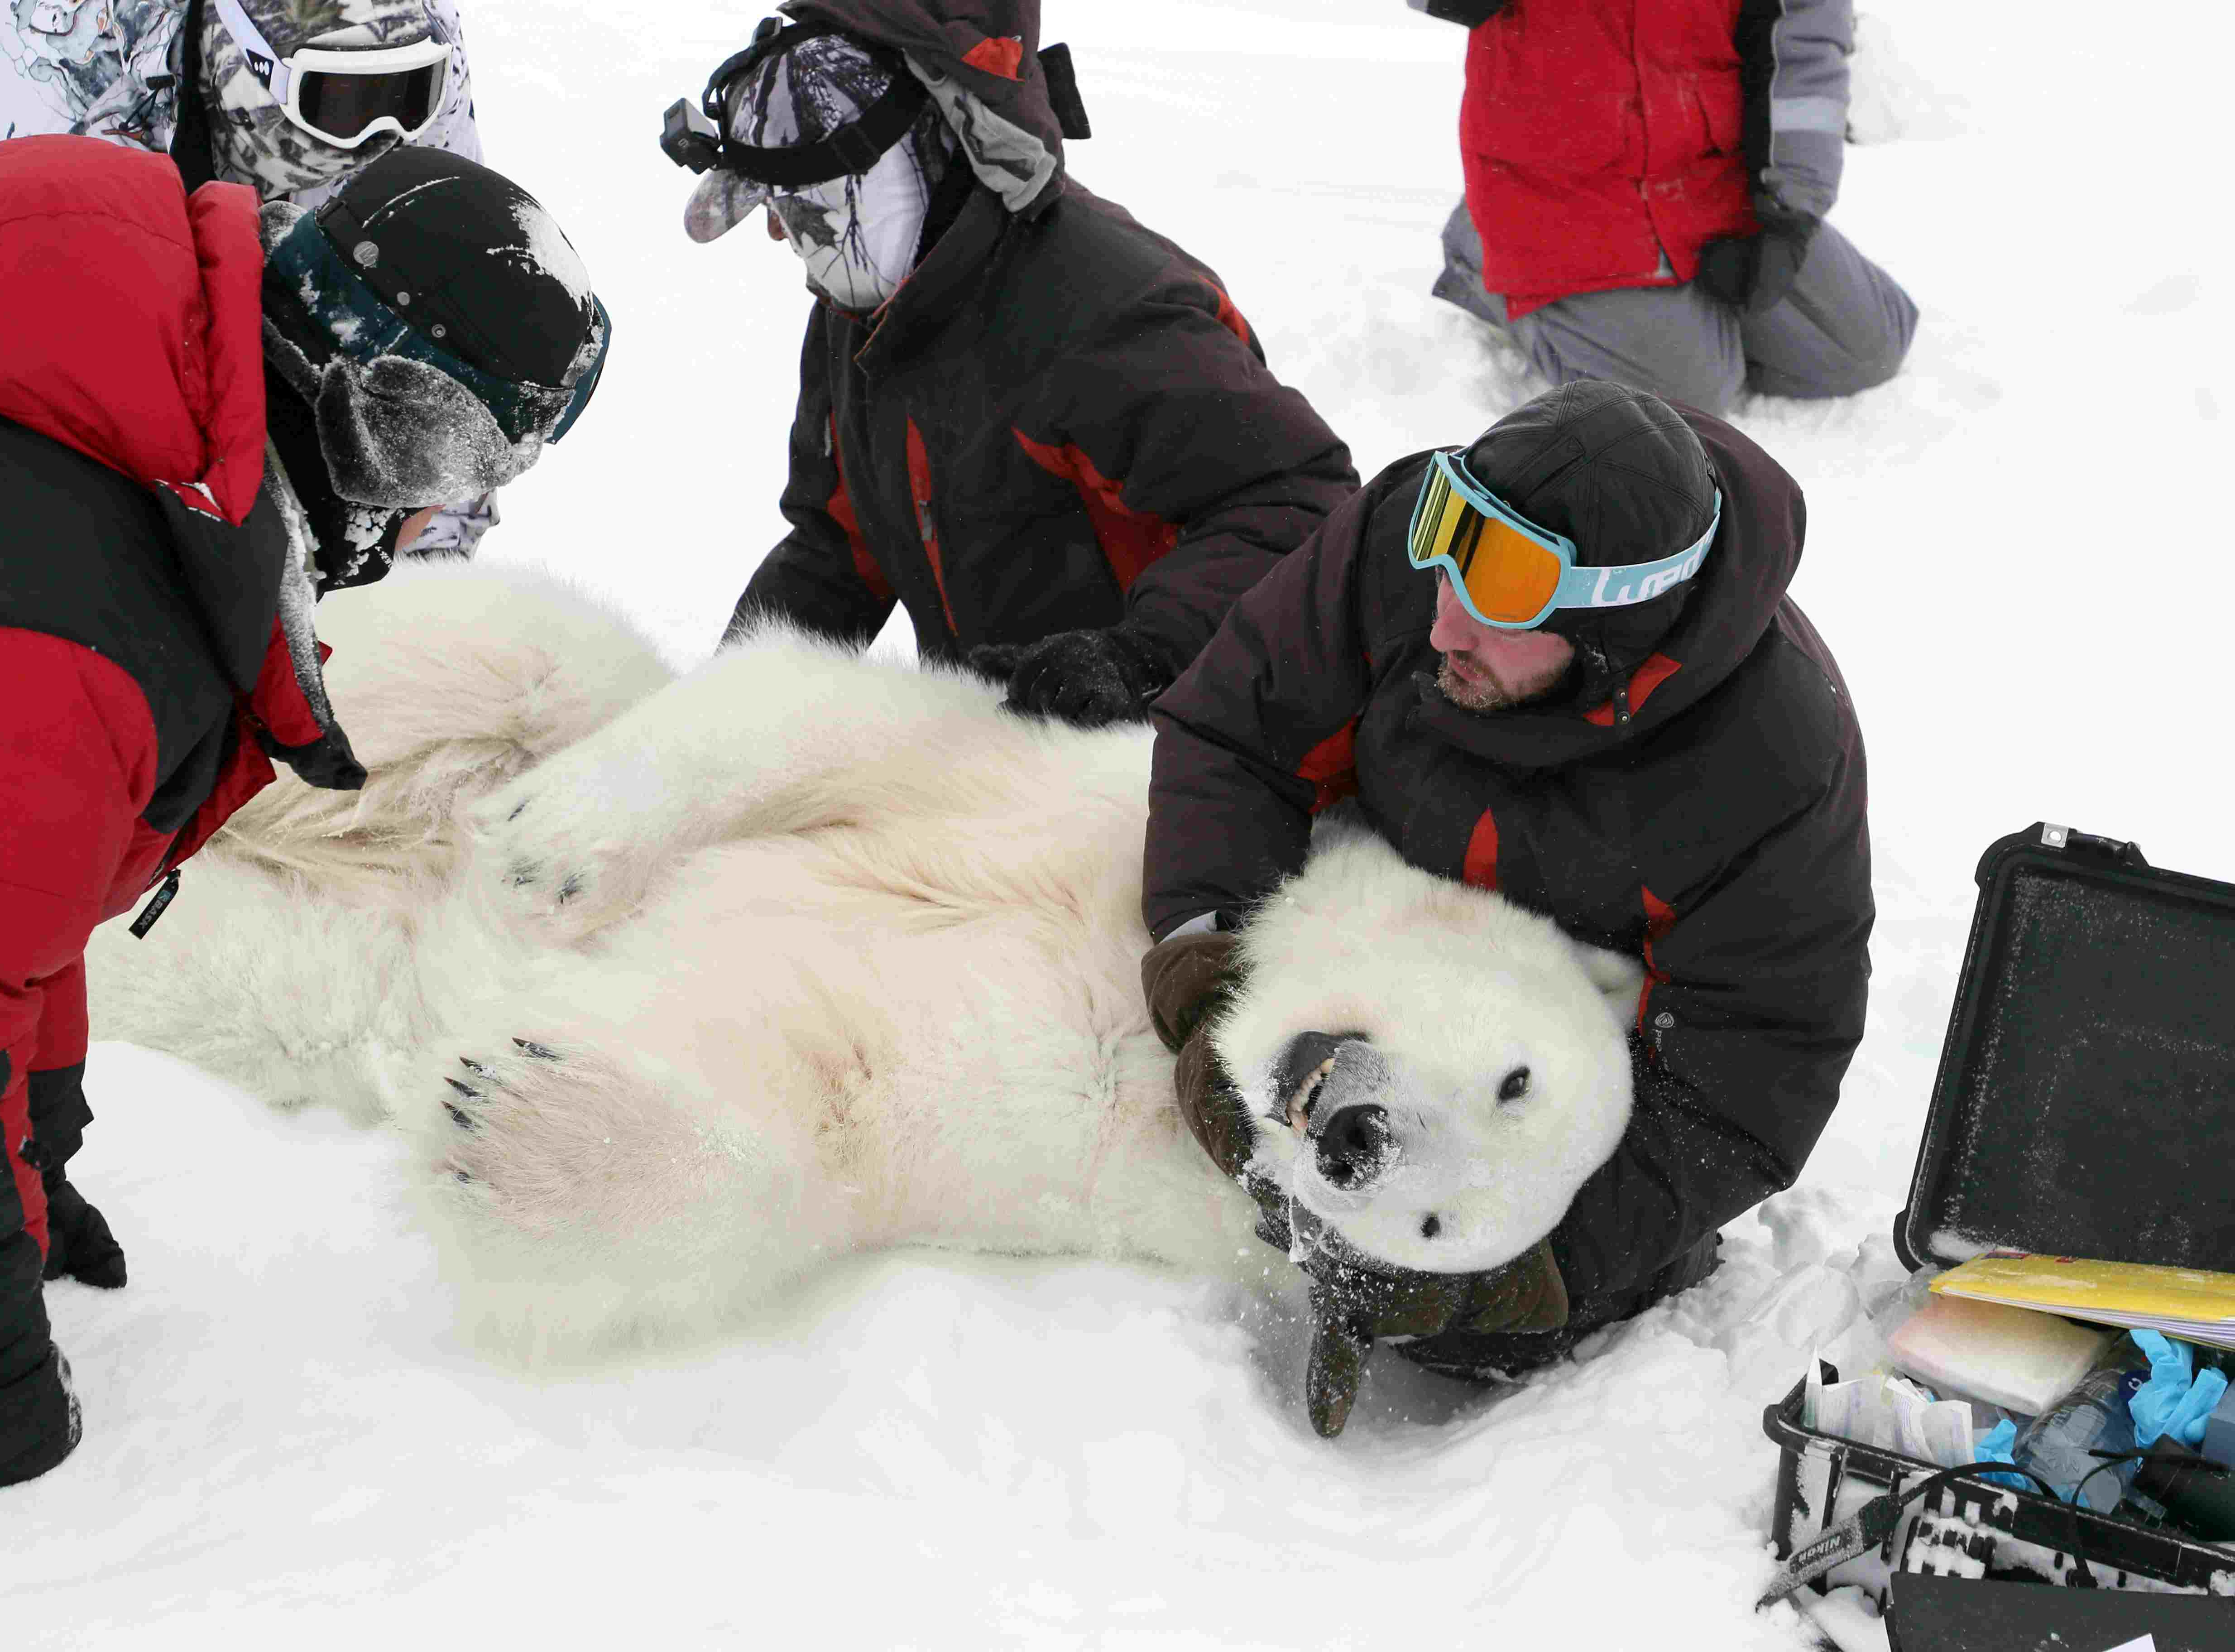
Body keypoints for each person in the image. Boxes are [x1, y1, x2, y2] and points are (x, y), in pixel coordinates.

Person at [0, 132, 609, 1489]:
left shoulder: (89, 433)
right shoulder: (40, 648)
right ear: (375, 402)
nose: (441, 516)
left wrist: (33, 1154)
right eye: (455, 460)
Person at [1138, 379, 1871, 1417]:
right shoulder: (1416, 548)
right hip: (1382, 938)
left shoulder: (1767, 760)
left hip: (1554, 1046)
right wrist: (1213, 986)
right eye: (1444, 558)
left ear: (1612, 626)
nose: (1441, 626)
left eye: (1497, 605)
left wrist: (1522, 1268)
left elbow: (1751, 1071)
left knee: (1497, 1332)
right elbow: (1230, 730)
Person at [671, 1, 1357, 727]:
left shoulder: (1100, 311)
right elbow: (838, 553)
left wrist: (1142, 655)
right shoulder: (859, 319)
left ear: (904, 168)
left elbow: (1299, 505)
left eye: (802, 203)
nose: (783, 233)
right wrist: (718, 715)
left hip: (1167, 749)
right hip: (997, 757)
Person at [0, 0, 502, 557]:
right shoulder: (64, 64)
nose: (388, 133)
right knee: (22, 476)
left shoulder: (406, 38)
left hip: (210, 138)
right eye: (344, 103)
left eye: (411, 95)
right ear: (244, 58)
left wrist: (419, 562)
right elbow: (74, 387)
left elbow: (454, 317)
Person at [1413, 0, 1918, 413]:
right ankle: (1482, 246)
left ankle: (1666, 310)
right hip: (1564, 190)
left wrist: (1792, 209)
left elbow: (1805, 44)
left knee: (1863, 348)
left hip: (1709, 174)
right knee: (1683, 402)